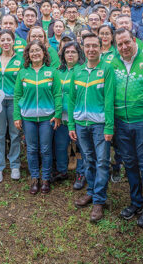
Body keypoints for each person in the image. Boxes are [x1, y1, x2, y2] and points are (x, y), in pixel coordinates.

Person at [111, 28, 143, 228]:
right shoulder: (112, 63)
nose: (123, 47)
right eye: (119, 44)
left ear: (134, 41)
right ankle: (136, 202)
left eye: (126, 42)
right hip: (121, 123)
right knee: (129, 163)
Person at [68, 33, 114, 222]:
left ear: (101, 47)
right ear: (83, 48)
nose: (91, 49)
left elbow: (109, 99)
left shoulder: (107, 69)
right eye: (87, 46)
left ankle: (99, 201)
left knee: (102, 162)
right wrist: (71, 123)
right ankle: (92, 192)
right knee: (88, 160)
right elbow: (71, 100)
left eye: (95, 46)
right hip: (81, 124)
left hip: (100, 124)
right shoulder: (77, 71)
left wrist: (109, 126)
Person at [14, 40, 62, 195]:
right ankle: (35, 178)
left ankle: (46, 179)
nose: (35, 53)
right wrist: (17, 116)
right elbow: (17, 96)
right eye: (32, 51)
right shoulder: (23, 72)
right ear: (28, 54)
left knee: (46, 149)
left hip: (47, 118)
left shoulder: (52, 71)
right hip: (28, 118)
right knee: (32, 149)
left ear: (44, 53)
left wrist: (58, 114)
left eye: (38, 50)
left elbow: (57, 95)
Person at [0, 29, 22, 183]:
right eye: (3, 40)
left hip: (14, 100)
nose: (6, 43)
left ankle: (15, 165)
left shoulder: (20, 60)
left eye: (8, 39)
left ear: (13, 41)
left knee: (15, 134)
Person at [53, 41, 85, 185]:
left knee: (79, 147)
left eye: (73, 52)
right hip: (61, 116)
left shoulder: (83, 70)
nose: (70, 55)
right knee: (60, 145)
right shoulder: (58, 70)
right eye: (67, 52)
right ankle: (62, 170)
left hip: (77, 116)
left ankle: (81, 172)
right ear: (63, 55)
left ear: (79, 54)